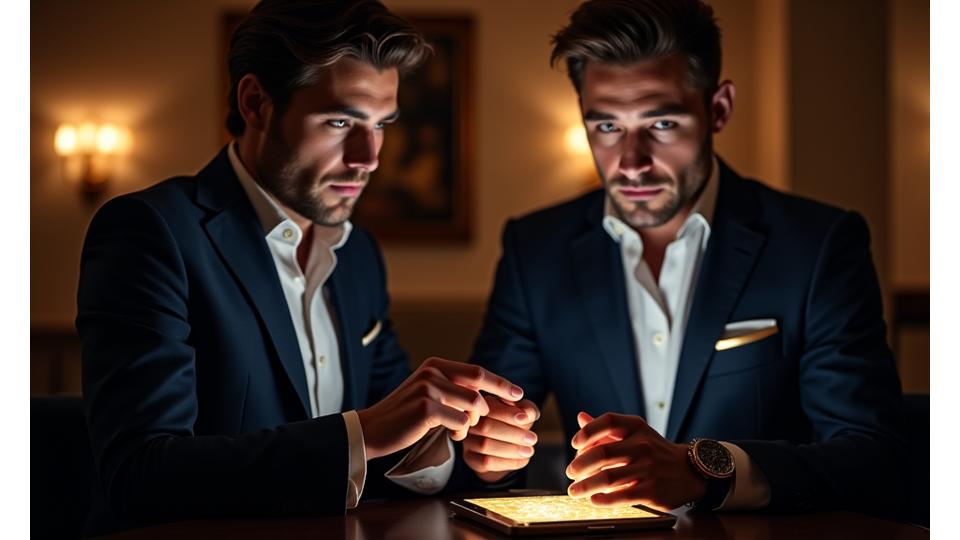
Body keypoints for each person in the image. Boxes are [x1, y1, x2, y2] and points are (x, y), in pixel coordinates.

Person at [77, 0, 528, 534]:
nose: (369, 156)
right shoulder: (150, 232)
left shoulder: (359, 257)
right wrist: (363, 433)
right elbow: (140, 475)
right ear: (256, 103)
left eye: (382, 123)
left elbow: (389, 445)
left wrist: (467, 451)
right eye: (340, 121)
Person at [464, 0, 905, 517]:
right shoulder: (534, 249)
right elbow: (490, 429)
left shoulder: (819, 243)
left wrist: (705, 470)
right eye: (606, 127)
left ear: (718, 108)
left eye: (662, 123)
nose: (631, 162)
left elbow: (873, 456)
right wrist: (490, 455)